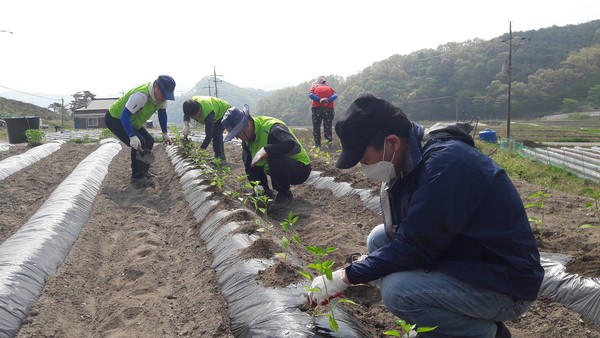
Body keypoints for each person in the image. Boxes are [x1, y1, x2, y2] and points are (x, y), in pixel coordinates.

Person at [307, 93, 544, 338]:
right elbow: (410, 234)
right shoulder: (410, 161)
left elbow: (415, 246)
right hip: (464, 254)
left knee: (398, 291)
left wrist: (346, 276)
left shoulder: (447, 164)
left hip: (504, 283)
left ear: (392, 143)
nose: (364, 167)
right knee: (379, 239)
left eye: (364, 159)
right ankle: (436, 319)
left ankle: (486, 333)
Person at [221, 105, 311, 211]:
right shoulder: (247, 140)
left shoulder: (272, 127)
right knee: (250, 161)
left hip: (300, 169)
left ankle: (284, 194)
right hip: (277, 169)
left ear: (247, 125)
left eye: (237, 133)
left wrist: (267, 150)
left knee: (274, 155)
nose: (236, 137)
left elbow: (292, 146)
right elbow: (249, 166)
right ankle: (265, 192)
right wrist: (258, 189)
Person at [105, 75, 176, 183]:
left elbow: (162, 114)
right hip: (115, 119)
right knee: (140, 142)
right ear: (156, 87)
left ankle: (143, 171)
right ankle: (137, 177)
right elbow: (124, 116)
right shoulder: (141, 96)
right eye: (163, 94)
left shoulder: (161, 100)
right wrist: (132, 136)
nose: (164, 98)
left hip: (133, 121)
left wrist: (165, 133)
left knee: (149, 141)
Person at [181, 96, 231, 160]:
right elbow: (186, 113)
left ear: (199, 110)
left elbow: (209, 135)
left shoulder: (208, 114)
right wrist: (186, 124)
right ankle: (221, 155)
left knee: (216, 133)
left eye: (195, 115)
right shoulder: (190, 106)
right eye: (192, 116)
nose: (195, 118)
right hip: (215, 108)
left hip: (224, 110)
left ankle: (218, 157)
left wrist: (201, 148)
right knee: (216, 133)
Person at [308, 76, 337, 148]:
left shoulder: (314, 87)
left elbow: (310, 95)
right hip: (329, 109)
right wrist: (328, 100)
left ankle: (317, 145)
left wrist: (320, 100)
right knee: (328, 126)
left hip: (317, 109)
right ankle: (328, 144)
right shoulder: (330, 88)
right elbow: (335, 95)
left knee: (316, 126)